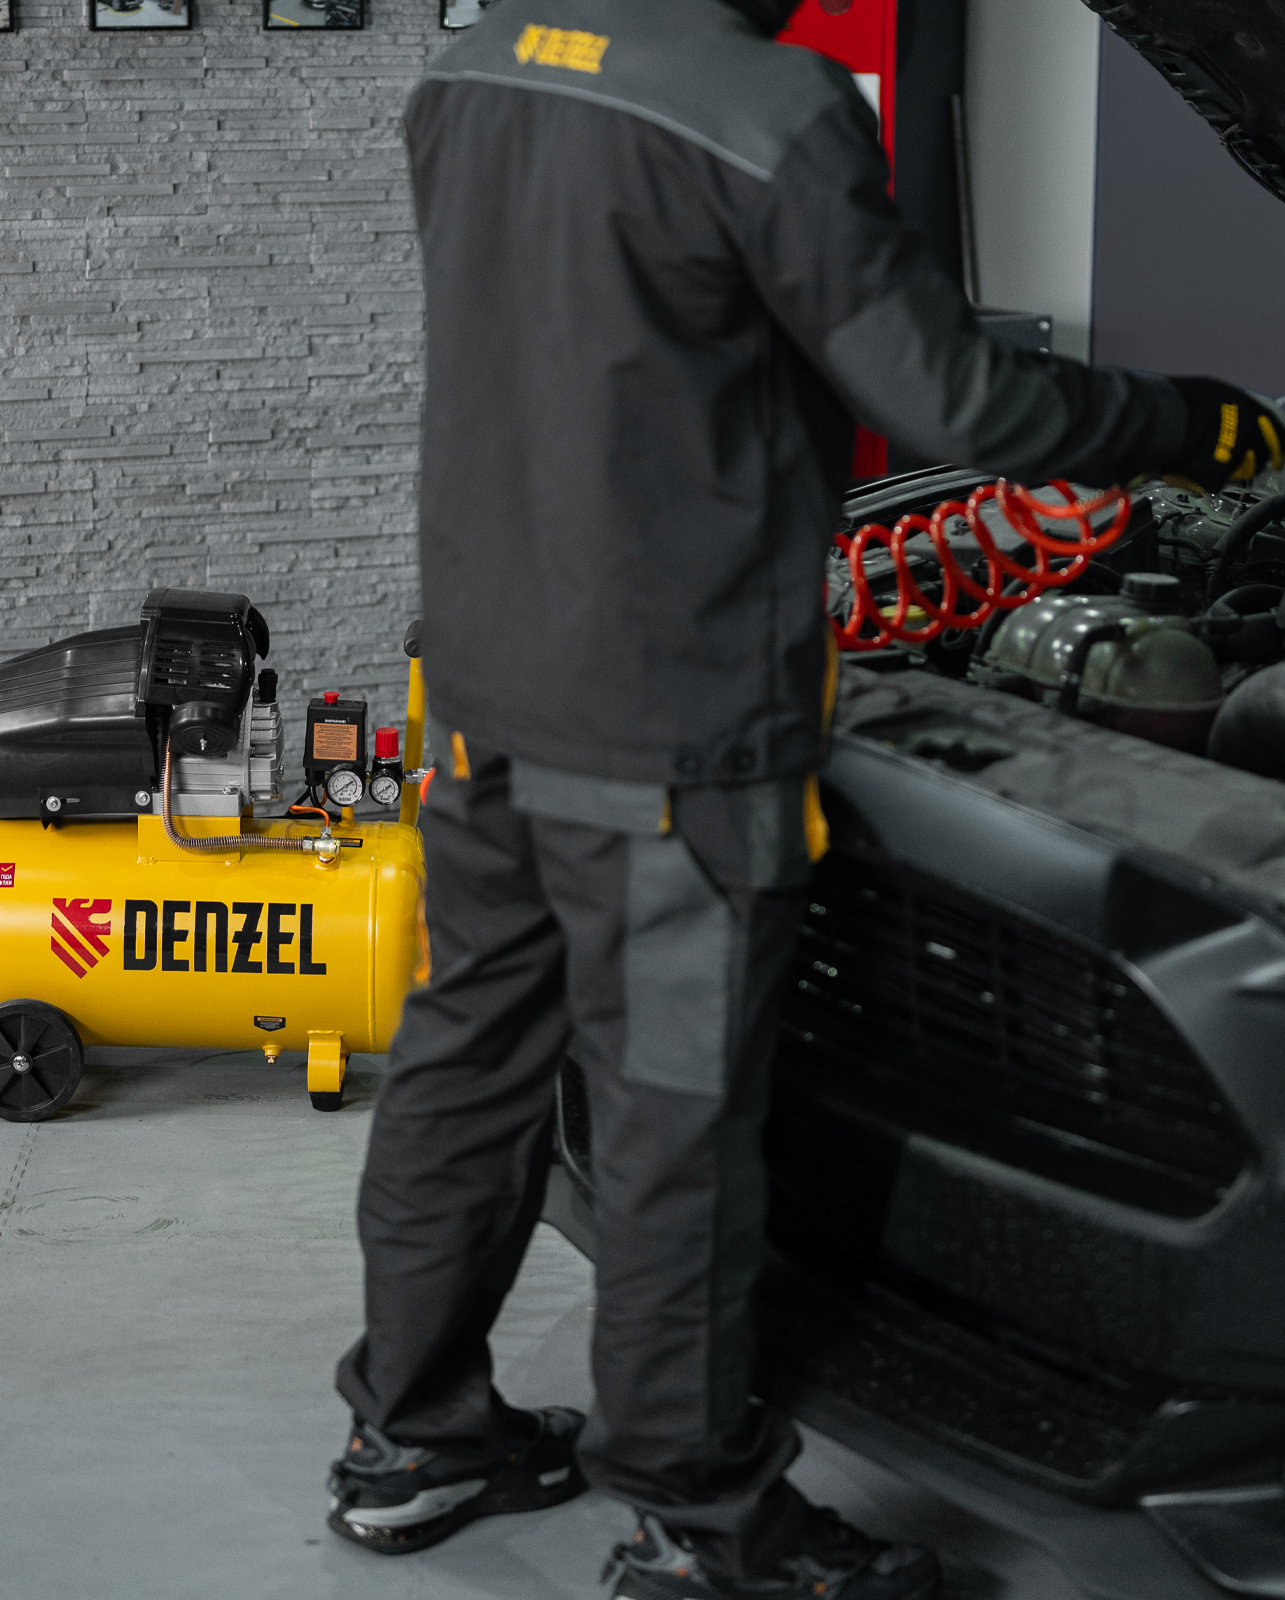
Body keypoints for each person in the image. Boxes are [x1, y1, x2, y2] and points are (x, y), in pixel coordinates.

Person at [324, 0, 1285, 1595]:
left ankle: (411, 1438)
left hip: (492, 679)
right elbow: (968, 410)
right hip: (674, 719)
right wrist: (1189, 421)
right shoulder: (771, 111)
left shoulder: (475, 61)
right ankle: (705, 1526)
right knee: (676, 1125)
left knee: (467, 1064)